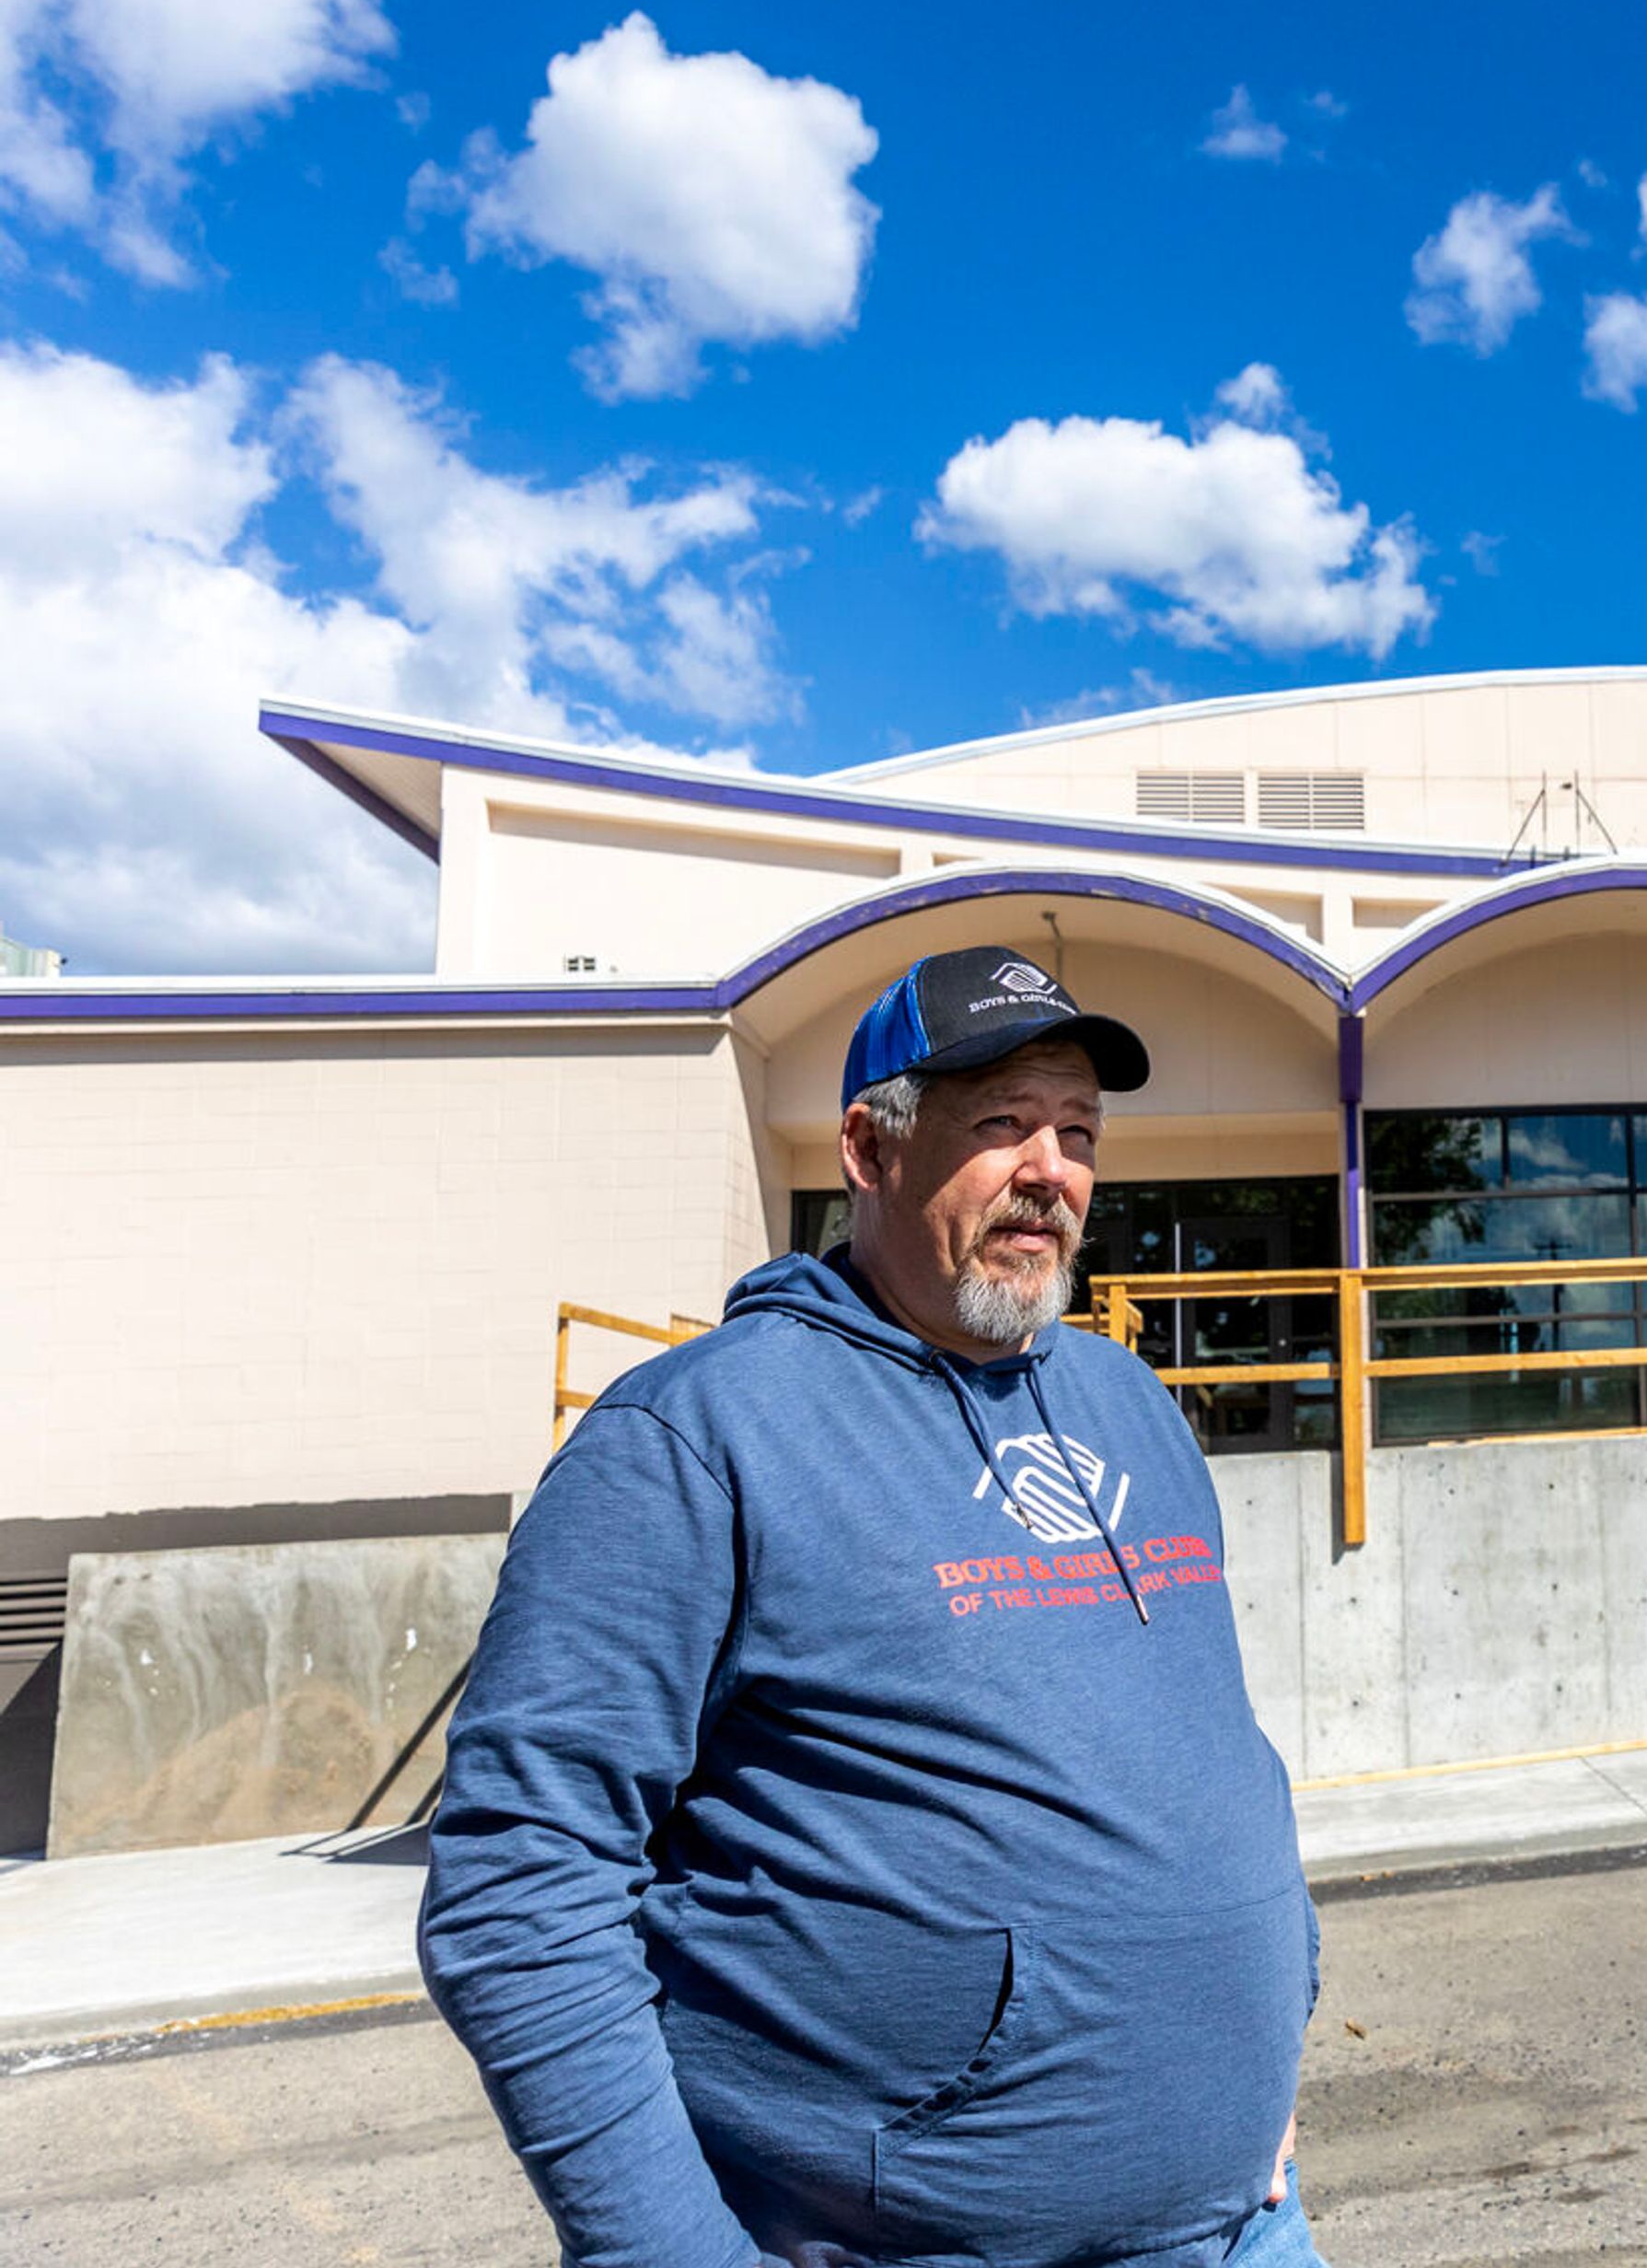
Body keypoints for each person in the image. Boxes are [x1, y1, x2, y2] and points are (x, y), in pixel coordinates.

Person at [421, 944, 1324, 2268]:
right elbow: (520, 1881)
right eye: (1002, 1123)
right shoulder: (694, 1438)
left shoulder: (1131, 1403)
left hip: (1246, 2227)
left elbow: (1219, 1750)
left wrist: (1269, 2031)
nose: (1051, 1171)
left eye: (1078, 1131)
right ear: (868, 1145)